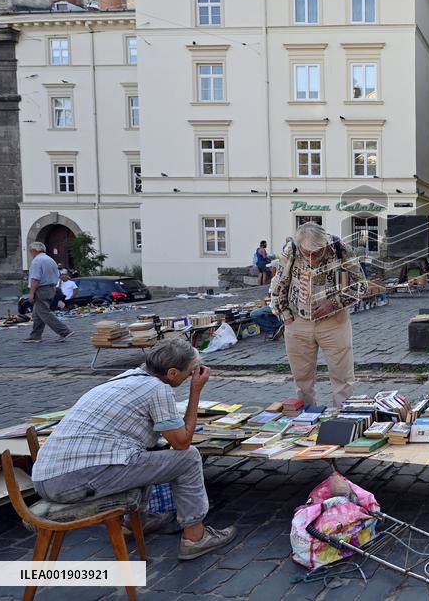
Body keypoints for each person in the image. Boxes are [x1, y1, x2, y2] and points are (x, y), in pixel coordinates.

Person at [30, 338, 237, 560]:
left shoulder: (122, 379)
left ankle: (136, 520)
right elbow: (182, 442)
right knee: (188, 458)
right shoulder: (157, 389)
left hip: (45, 477)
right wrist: (196, 391)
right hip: (73, 481)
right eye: (189, 373)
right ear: (173, 373)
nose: (190, 377)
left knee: (147, 451)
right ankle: (195, 536)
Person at [270, 222, 367, 409]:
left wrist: (333, 303)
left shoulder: (340, 248)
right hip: (298, 321)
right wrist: (285, 316)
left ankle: (344, 418)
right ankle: (307, 418)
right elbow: (278, 284)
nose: (313, 257)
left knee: (343, 377)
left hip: (334, 322)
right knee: (302, 378)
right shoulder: (291, 250)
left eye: (318, 251)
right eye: (308, 253)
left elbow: (361, 285)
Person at [24, 242, 73, 343]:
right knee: (37, 314)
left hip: (41, 289)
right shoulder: (50, 260)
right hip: (51, 288)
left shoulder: (37, 261)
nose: (30, 253)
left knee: (44, 312)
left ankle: (64, 331)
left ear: (34, 250)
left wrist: (31, 293)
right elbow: (57, 275)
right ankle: (35, 336)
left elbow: (35, 279)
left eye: (30, 251)